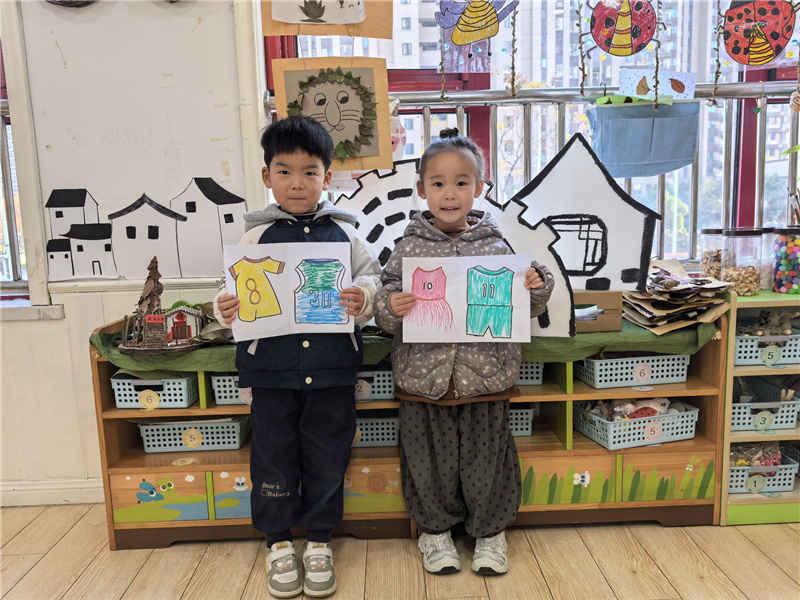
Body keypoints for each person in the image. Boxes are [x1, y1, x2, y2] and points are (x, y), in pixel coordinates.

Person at [374, 128, 554, 576]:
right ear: (422, 189)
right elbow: (384, 302)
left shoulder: (496, 244)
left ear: (479, 188)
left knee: (486, 460)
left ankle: (490, 533)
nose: (449, 193)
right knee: (427, 461)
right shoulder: (408, 247)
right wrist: (392, 307)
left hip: (485, 378)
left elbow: (528, 301)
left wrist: (537, 283)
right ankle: (434, 532)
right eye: (438, 183)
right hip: (424, 380)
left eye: (461, 182)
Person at [214, 116, 381, 599]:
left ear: (327, 178)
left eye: (310, 172)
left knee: (329, 455)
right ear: (267, 176)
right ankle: (278, 541)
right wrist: (223, 307)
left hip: (332, 369)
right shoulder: (253, 238)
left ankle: (320, 541)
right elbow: (225, 292)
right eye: (284, 172)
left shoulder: (346, 234)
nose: (297, 183)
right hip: (270, 372)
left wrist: (364, 297)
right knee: (272, 457)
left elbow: (373, 278)